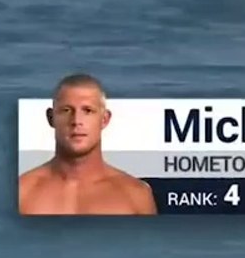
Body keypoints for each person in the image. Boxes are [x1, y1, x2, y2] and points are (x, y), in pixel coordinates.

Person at [18, 73, 157, 216]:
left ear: (104, 119)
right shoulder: (21, 191)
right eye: (66, 110)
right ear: (51, 118)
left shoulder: (136, 195)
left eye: (88, 111)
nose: (76, 120)